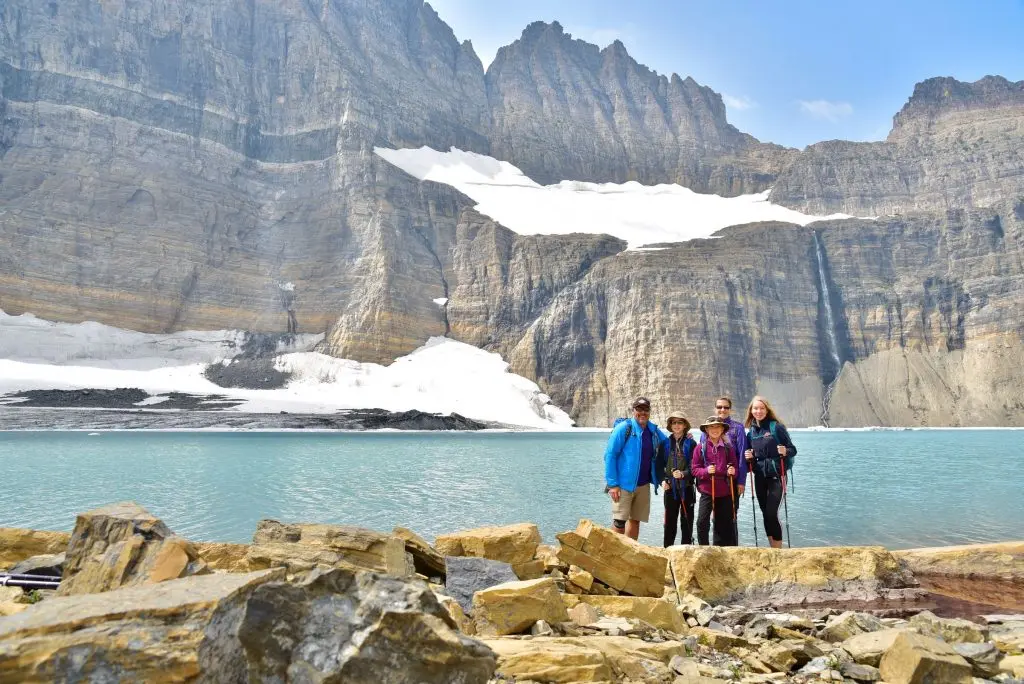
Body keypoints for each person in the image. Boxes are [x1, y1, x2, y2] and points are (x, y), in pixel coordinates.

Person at [604, 396, 666, 540]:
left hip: (643, 485)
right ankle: (612, 556)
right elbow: (610, 456)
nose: (642, 413)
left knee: (635, 520)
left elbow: (668, 444)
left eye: (645, 409)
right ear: (634, 410)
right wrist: (613, 484)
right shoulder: (624, 428)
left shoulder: (653, 430)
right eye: (639, 409)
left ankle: (630, 557)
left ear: (649, 411)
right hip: (623, 485)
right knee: (619, 522)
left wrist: (684, 436)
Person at [743, 395, 798, 548]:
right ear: (751, 411)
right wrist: (749, 456)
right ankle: (771, 549)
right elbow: (751, 456)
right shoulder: (751, 433)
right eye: (755, 408)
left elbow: (793, 450)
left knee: (771, 513)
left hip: (777, 477)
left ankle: (778, 551)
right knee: (765, 514)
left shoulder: (776, 427)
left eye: (762, 408)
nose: (758, 411)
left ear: (767, 410)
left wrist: (785, 450)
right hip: (760, 478)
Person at [691, 415, 739, 546]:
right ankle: (704, 549)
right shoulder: (700, 448)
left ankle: (722, 550)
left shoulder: (729, 448)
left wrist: (733, 472)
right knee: (702, 522)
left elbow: (735, 468)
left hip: (725, 492)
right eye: (711, 427)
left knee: (723, 524)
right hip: (707, 491)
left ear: (723, 429)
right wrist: (706, 471)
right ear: (706, 430)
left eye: (717, 426)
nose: (714, 429)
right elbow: (694, 470)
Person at [701, 396, 750, 510]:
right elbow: (702, 455)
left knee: (730, 516)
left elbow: (742, 455)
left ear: (730, 409)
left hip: (731, 478)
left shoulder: (738, 428)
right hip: (711, 479)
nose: (722, 410)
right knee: (714, 516)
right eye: (719, 407)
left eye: (726, 407)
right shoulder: (706, 429)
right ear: (715, 409)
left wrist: (741, 481)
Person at [657, 412, 696, 547]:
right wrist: (662, 481)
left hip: (687, 489)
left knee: (687, 523)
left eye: (680, 422)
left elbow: (694, 467)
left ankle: (686, 552)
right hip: (670, 489)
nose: (677, 425)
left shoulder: (691, 444)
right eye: (674, 423)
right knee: (669, 523)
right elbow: (658, 466)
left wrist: (683, 474)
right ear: (670, 425)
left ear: (685, 425)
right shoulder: (665, 444)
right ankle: (667, 551)